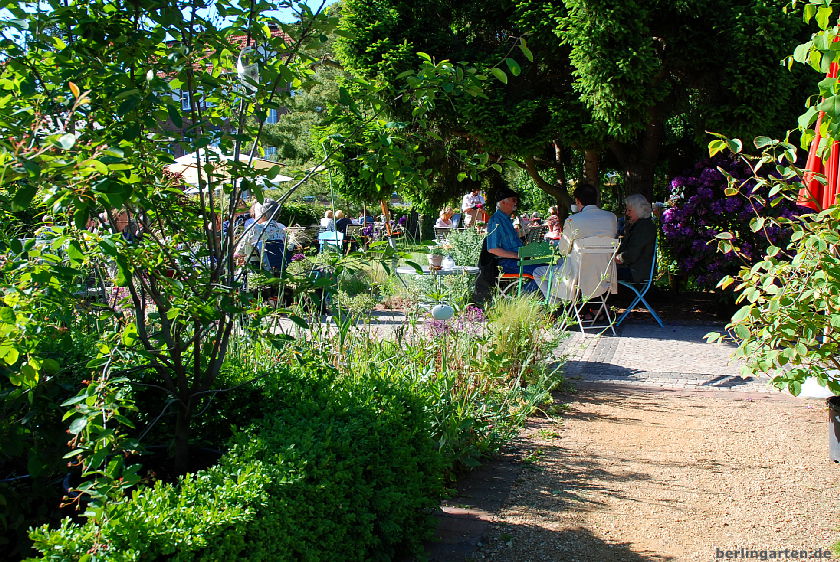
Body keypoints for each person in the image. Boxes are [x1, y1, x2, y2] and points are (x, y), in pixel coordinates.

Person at [532, 183, 618, 302]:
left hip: (578, 276)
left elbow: (563, 250)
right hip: (604, 274)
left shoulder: (573, 220)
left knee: (538, 272)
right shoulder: (611, 217)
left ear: (577, 201)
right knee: (561, 262)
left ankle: (556, 305)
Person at [485, 187, 539, 283]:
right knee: (544, 272)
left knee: (550, 269)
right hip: (506, 262)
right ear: (503, 202)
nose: (516, 203)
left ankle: (529, 291)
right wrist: (517, 255)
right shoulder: (495, 220)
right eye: (513, 200)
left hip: (516, 260)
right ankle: (526, 292)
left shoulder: (507, 220)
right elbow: (493, 249)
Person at [615, 194, 657, 284]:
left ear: (639, 211)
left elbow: (632, 253)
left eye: (629, 210)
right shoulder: (643, 224)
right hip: (637, 270)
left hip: (637, 272)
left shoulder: (644, 227)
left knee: (602, 272)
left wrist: (618, 257)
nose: (627, 213)